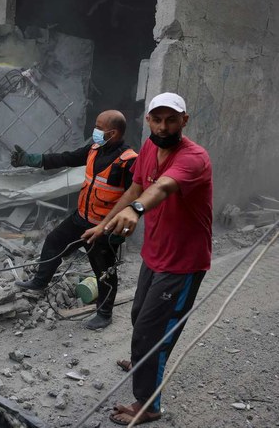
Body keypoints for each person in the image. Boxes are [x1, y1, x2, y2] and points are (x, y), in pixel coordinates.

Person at [82, 93, 212, 425]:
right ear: (149, 121)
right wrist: (103, 224)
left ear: (184, 120)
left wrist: (136, 211)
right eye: (157, 119)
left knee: (154, 330)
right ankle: (145, 361)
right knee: (141, 316)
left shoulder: (194, 157)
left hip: (182, 262)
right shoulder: (149, 148)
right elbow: (136, 188)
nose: (164, 126)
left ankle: (149, 404)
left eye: (171, 120)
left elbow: (164, 187)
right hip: (155, 253)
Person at [11, 110, 137, 330]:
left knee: (103, 271)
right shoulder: (94, 149)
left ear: (113, 132)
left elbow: (133, 199)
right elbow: (66, 158)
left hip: (103, 228)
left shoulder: (128, 161)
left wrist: (117, 232)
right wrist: (31, 160)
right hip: (81, 218)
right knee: (53, 241)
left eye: (99, 127)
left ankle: (104, 314)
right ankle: (40, 281)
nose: (94, 131)